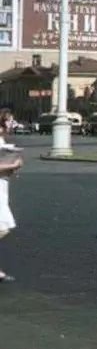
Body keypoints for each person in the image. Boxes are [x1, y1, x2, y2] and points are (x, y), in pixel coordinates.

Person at [0, 116, 23, 284]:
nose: (11, 124)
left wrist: (13, 166)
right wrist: (13, 166)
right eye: (8, 121)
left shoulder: (2, 140)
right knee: (3, 226)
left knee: (4, 226)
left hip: (2, 185)